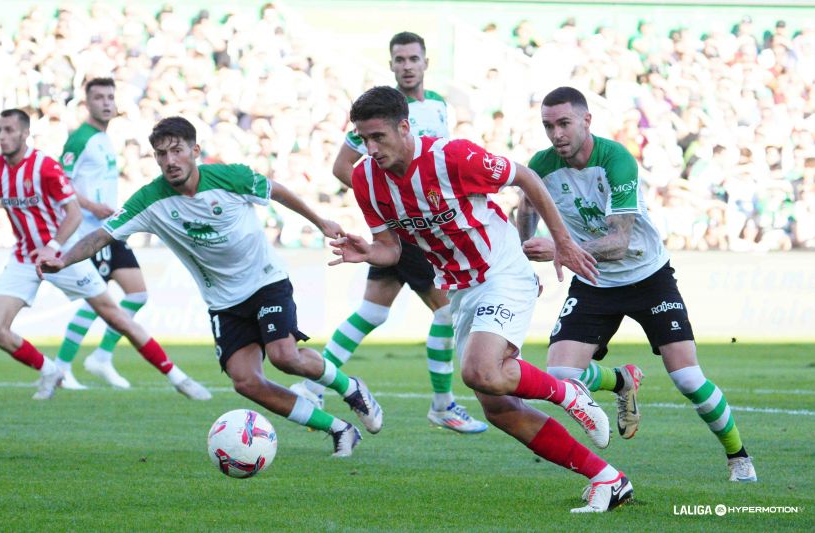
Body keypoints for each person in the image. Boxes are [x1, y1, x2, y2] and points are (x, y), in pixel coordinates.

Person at [331, 86, 632, 513]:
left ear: (404, 126)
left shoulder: (452, 157)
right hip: (460, 288)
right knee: (500, 408)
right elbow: (392, 248)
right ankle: (608, 478)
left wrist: (561, 242)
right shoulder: (365, 178)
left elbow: (524, 176)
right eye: (363, 138)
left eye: (379, 136)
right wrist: (368, 252)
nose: (371, 147)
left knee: (480, 369)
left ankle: (569, 394)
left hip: (502, 271)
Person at [38, 116, 383, 457]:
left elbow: (275, 190)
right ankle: (339, 429)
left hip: (265, 281)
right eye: (161, 154)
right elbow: (102, 235)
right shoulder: (148, 200)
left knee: (284, 356)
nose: (170, 161)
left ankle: (351, 389)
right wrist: (62, 259)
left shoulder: (230, 177)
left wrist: (320, 221)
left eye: (176, 151)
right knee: (245, 382)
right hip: (222, 301)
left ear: (195, 150)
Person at [516, 86, 756, 483]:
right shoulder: (541, 165)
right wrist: (525, 253)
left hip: (647, 275)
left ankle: (738, 457)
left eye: (564, 123)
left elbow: (619, 241)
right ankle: (622, 379)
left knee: (688, 379)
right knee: (559, 373)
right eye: (548, 125)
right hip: (594, 280)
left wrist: (561, 250)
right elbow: (525, 207)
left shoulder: (616, 160)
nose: (556, 133)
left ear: (586, 120)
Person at [0, 109, 210, 401]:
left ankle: (178, 378)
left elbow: (73, 214)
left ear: (24, 133)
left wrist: (54, 247)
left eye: (9, 130)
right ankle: (50, 370)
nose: (3, 136)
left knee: (116, 318)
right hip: (24, 258)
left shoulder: (44, 166)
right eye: (0, 130)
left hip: (60, 255)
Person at [292, 31, 486, 434]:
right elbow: (343, 166)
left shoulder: (436, 105)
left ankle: (312, 384)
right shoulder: (378, 113)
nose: (407, 65)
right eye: (399, 59)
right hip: (408, 229)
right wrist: (388, 199)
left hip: (415, 224)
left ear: (425, 62)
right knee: (447, 311)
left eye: (413, 58)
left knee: (372, 312)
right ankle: (443, 404)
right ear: (392, 64)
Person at [53, 77, 150, 390]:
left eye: (110, 97)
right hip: (87, 233)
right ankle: (61, 366)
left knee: (137, 293)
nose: (107, 102)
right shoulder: (80, 139)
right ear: (88, 103)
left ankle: (102, 356)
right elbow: (60, 183)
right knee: (97, 299)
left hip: (110, 230)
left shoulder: (106, 138)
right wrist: (92, 206)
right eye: (99, 97)